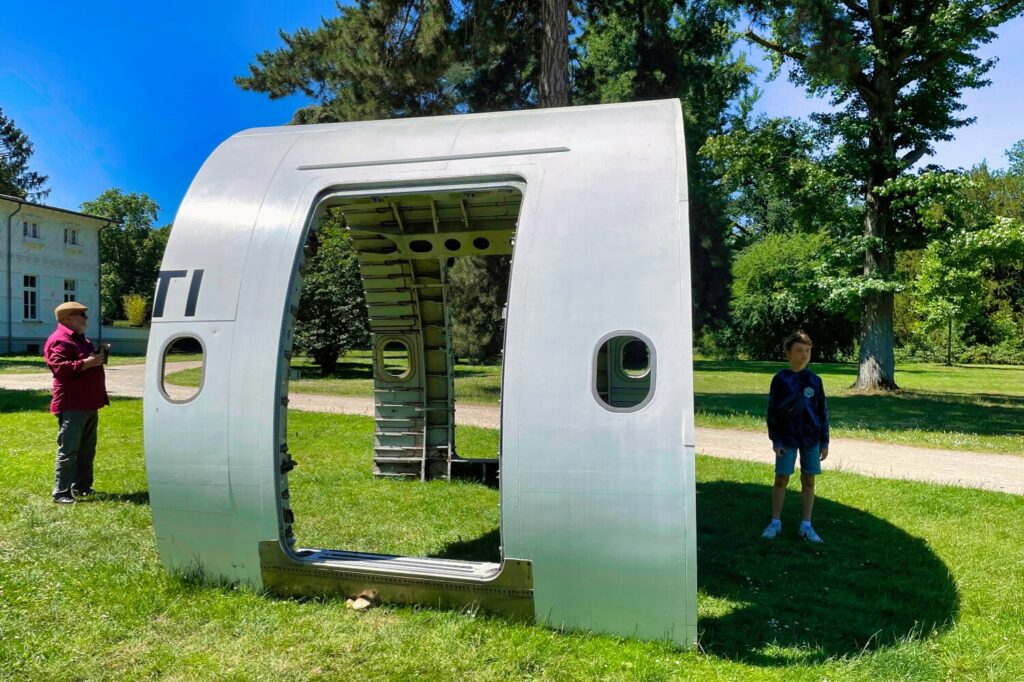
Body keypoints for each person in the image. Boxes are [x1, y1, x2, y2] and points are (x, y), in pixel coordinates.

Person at [761, 330, 829, 543]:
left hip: (811, 438)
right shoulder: (781, 379)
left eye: (807, 350)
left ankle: (806, 525)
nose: (804, 355)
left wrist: (824, 441)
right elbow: (772, 412)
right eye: (799, 350)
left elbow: (822, 411)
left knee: (809, 480)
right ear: (788, 354)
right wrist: (776, 440)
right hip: (787, 438)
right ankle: (775, 522)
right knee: (781, 478)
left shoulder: (815, 381)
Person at [44, 301, 109, 504]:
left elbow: (85, 363)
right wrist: (88, 362)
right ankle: (61, 492)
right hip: (73, 403)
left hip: (88, 402)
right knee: (69, 449)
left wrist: (97, 357)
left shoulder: (82, 340)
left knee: (87, 448)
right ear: (66, 319)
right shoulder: (60, 340)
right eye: (80, 314)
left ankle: (82, 487)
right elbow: (60, 368)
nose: (85, 318)